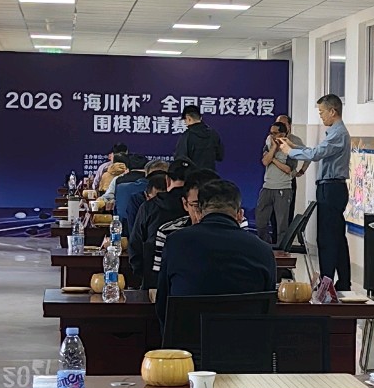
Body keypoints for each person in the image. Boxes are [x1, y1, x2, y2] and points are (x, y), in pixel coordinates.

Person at [154, 175, 278, 322]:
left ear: (198, 213)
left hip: (186, 335)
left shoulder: (175, 242)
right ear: (240, 215)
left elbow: (162, 304)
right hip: (244, 335)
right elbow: (268, 309)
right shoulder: (263, 250)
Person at [283, 92, 350, 290]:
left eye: (322, 112)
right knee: (336, 236)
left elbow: (316, 154)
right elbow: (317, 151)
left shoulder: (338, 133)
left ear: (332, 111)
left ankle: (327, 282)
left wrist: (290, 151)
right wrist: (295, 147)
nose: (320, 116)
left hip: (332, 188)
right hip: (330, 188)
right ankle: (341, 282)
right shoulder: (334, 133)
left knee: (328, 237)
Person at [124, 164, 184, 291]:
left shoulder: (147, 207)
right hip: (187, 284)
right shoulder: (194, 207)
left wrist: (144, 276)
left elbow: (135, 246)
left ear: (167, 181)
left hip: (153, 282)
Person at [257, 115, 300, 251]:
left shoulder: (291, 148)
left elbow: (288, 169)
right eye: (271, 133)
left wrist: (273, 160)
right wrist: (273, 149)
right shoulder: (269, 143)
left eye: (275, 133)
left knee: (282, 224)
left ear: (283, 134)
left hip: (283, 188)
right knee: (261, 222)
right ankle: (265, 247)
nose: (272, 136)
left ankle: (282, 252)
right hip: (267, 187)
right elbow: (265, 161)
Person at [177, 104, 223, 177]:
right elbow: (220, 156)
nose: (185, 123)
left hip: (193, 179)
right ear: (200, 118)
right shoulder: (213, 134)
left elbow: (180, 159)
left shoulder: (187, 136)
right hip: (211, 178)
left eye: (185, 120)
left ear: (188, 118)